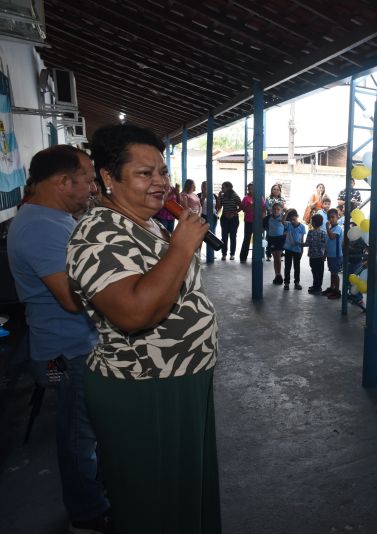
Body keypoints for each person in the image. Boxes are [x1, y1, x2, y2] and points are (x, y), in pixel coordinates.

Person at [66, 124, 221, 533]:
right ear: (108, 178)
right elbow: (135, 314)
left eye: (163, 172)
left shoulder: (147, 223)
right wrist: (183, 246)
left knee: (184, 493)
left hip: (180, 379)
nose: (160, 182)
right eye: (144, 173)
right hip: (143, 385)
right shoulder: (95, 234)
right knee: (154, 503)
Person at [7, 145, 111, 533]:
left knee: (81, 428)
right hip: (62, 355)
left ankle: (92, 494)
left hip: (66, 349)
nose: (91, 186)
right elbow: (71, 298)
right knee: (77, 434)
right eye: (86, 178)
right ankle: (87, 515)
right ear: (63, 181)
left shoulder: (55, 219)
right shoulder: (39, 226)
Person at [239, 182, 266, 262]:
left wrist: (263, 215)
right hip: (249, 221)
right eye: (249, 188)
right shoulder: (246, 198)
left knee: (258, 239)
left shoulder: (260, 197)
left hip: (258, 222)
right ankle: (243, 257)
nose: (251, 190)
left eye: (252, 188)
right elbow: (243, 209)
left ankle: (258, 256)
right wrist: (249, 207)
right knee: (247, 239)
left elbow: (264, 208)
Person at [282, 208, 306, 290]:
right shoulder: (288, 225)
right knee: (287, 266)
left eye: (294, 219)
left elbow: (302, 239)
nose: (292, 221)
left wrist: (302, 250)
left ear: (297, 217)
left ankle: (297, 282)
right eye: (290, 219)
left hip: (297, 250)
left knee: (297, 267)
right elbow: (282, 221)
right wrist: (287, 212)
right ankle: (286, 283)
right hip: (288, 250)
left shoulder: (302, 227)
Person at [217, 181, 241, 260]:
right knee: (224, 237)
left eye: (223, 187)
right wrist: (219, 197)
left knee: (233, 236)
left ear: (228, 188)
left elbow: (241, 206)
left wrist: (233, 213)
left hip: (233, 219)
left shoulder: (235, 196)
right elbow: (219, 207)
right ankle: (224, 254)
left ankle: (232, 254)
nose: (222, 189)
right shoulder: (223, 196)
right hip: (224, 219)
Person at [323, 208, 343, 300]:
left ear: (337, 217)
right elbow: (328, 243)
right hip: (330, 255)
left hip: (336, 255)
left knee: (335, 273)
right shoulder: (331, 228)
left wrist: (327, 228)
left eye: (333, 217)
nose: (331, 219)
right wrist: (325, 254)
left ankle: (337, 291)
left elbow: (331, 237)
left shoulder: (338, 228)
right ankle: (332, 288)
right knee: (332, 272)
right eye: (329, 218)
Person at [305, 213, 327, 294]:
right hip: (321, 256)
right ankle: (318, 286)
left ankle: (316, 287)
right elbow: (325, 245)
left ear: (313, 223)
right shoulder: (324, 233)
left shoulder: (310, 232)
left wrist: (299, 244)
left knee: (314, 271)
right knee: (320, 272)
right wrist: (325, 256)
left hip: (313, 256)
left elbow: (307, 243)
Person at [267, 202, 286, 285]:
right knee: (275, 258)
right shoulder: (268, 218)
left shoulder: (283, 218)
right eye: (274, 209)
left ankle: (279, 275)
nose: (276, 211)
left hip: (280, 239)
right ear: (271, 210)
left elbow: (287, 228)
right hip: (271, 239)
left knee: (278, 257)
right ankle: (277, 275)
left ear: (281, 210)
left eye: (278, 209)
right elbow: (265, 226)